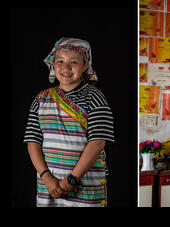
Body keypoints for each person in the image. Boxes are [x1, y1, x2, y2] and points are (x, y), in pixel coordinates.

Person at [23, 37, 115, 207]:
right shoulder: (42, 99)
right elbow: (32, 142)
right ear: (53, 64)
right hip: (50, 187)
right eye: (60, 61)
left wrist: (72, 180)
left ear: (85, 65)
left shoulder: (95, 97)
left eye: (74, 62)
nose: (66, 68)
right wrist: (47, 177)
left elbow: (97, 143)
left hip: (86, 187)